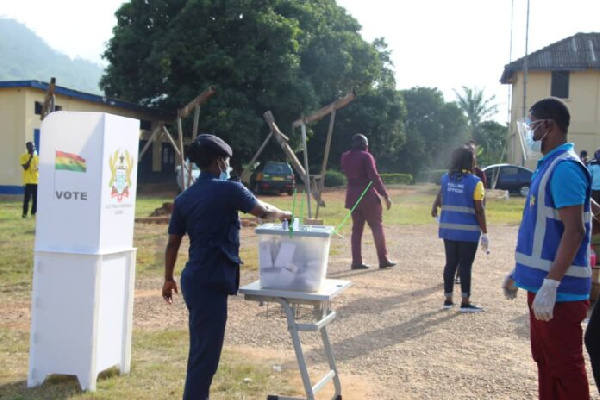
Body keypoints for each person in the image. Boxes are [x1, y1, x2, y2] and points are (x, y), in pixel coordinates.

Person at [162, 134, 292, 400]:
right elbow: (263, 212)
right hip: (210, 280)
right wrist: (285, 215)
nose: (228, 167)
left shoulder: (184, 198)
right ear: (220, 162)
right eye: (227, 161)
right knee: (205, 355)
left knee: (202, 348)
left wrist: (168, 279)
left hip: (194, 279)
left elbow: (173, 243)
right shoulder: (230, 189)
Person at [503, 97, 591, 399]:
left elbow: (574, 231)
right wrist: (520, 271)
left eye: (532, 124)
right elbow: (545, 230)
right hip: (543, 287)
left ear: (548, 125)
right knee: (546, 362)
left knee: (565, 367)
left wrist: (552, 283)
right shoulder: (549, 166)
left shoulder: (564, 169)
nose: (529, 131)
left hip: (559, 292)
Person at [431, 144, 488, 312]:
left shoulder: (445, 179)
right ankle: (465, 301)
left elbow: (441, 201)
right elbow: (479, 210)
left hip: (448, 229)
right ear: (471, 161)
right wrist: (485, 233)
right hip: (468, 231)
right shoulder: (475, 182)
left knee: (450, 264)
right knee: (465, 266)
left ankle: (448, 299)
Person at [341, 133, 396, 270]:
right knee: (377, 226)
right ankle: (383, 260)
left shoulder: (345, 156)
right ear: (365, 145)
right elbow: (374, 177)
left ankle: (356, 261)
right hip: (367, 196)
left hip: (352, 196)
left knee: (357, 229)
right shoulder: (366, 156)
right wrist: (385, 195)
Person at [19, 141, 39, 218]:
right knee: (26, 199)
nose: (32, 148)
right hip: (28, 181)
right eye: (31, 147)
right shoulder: (23, 157)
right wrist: (30, 158)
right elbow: (25, 167)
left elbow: (39, 167)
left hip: (36, 181)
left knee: (35, 199)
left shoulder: (37, 158)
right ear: (27, 148)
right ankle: (24, 213)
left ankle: (33, 213)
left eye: (33, 147)